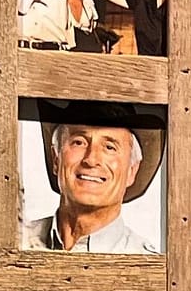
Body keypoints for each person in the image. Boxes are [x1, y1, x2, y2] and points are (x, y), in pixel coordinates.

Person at [22, 100, 165, 253]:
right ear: (56, 159)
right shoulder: (16, 245)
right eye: (79, 142)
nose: (91, 160)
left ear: (132, 170)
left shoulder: (144, 265)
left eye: (109, 147)